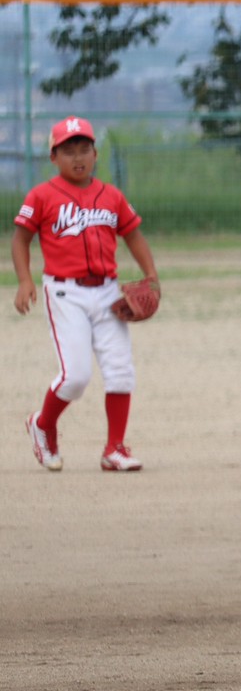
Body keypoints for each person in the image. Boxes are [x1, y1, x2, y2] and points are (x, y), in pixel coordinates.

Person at [12, 116, 159, 472]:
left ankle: (115, 449)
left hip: (107, 292)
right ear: (53, 157)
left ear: (95, 153)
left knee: (121, 371)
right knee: (75, 377)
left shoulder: (111, 195)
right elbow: (20, 239)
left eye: (84, 149)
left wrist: (151, 275)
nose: (77, 157)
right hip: (65, 293)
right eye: (68, 151)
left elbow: (133, 235)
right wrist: (25, 281)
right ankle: (43, 425)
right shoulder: (42, 195)